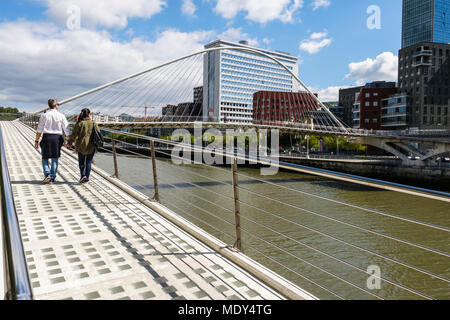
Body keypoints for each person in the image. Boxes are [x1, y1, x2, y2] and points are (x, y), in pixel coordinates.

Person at [35, 99, 71, 184]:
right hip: (57, 138)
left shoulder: (44, 115)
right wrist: (69, 141)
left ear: (49, 106)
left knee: (45, 157)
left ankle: (47, 173)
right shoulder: (61, 115)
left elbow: (39, 130)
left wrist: (36, 141)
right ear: (56, 105)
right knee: (55, 158)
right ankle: (52, 176)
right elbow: (66, 129)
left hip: (46, 137)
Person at [68, 108, 99, 184]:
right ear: (89, 114)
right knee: (88, 162)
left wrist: (70, 143)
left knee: (81, 162)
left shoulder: (79, 123)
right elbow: (98, 133)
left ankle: (83, 176)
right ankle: (87, 177)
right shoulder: (93, 123)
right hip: (91, 145)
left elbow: (74, 135)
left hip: (81, 145)